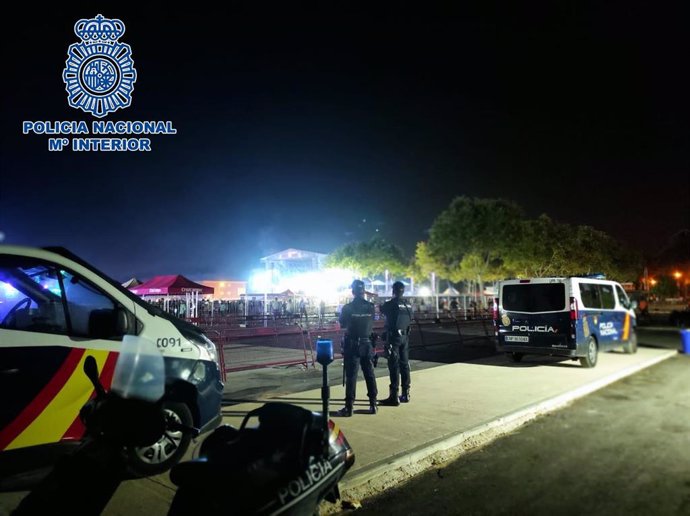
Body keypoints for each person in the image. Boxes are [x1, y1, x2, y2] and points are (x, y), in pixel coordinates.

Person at [336, 279, 378, 417]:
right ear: (363, 291)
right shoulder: (371, 307)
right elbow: (371, 322)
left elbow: (342, 324)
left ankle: (349, 407)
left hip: (353, 344)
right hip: (367, 344)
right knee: (369, 374)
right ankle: (373, 404)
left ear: (353, 292)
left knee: (351, 376)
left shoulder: (347, 308)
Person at [379, 281, 413, 406]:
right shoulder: (408, 305)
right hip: (405, 337)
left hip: (394, 338)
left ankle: (394, 396)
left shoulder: (391, 304)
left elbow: (381, 309)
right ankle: (406, 394)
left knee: (394, 366)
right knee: (404, 365)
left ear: (393, 291)